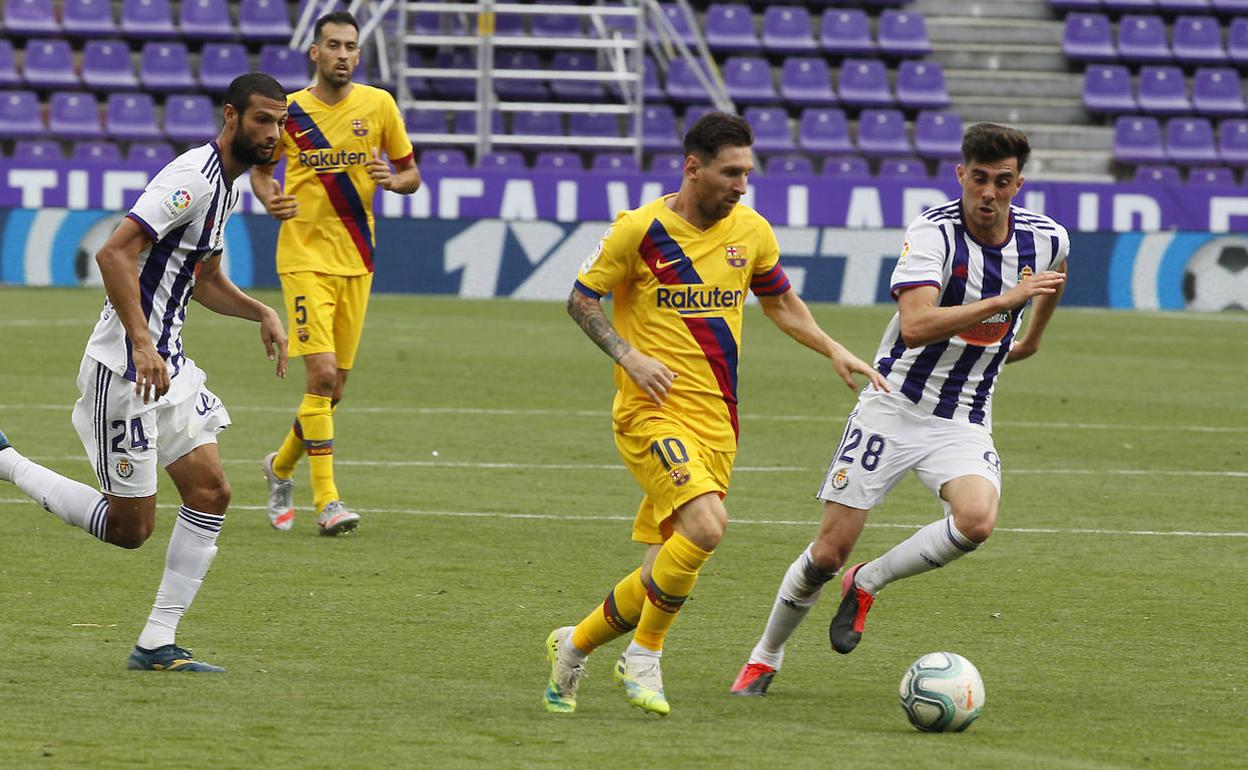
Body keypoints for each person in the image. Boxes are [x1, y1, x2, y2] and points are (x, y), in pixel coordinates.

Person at [542, 112, 888, 716]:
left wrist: (832, 346)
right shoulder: (639, 229)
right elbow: (580, 298)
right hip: (650, 416)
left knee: (658, 573)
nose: (741, 186)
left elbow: (779, 301)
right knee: (707, 527)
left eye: (747, 173)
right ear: (692, 167)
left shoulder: (750, 231)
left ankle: (572, 647)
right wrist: (629, 355)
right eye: (731, 173)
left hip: (718, 424)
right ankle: (645, 657)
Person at [729, 123, 1069, 697]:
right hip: (892, 406)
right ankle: (765, 656)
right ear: (960, 175)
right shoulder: (933, 233)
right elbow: (914, 326)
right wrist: (1003, 302)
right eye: (979, 179)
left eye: (1002, 182)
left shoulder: (1047, 237)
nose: (989, 193)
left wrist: (1030, 335)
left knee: (977, 521)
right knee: (828, 553)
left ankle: (869, 582)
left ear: (1018, 183)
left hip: (963, 415)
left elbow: (1049, 282)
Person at [0, 72, 291, 672]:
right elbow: (114, 251)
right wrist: (140, 341)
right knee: (130, 528)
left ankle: (157, 643)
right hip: (126, 366)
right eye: (263, 119)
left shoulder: (228, 189)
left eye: (281, 121)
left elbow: (204, 280)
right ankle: (5, 461)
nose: (274, 132)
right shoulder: (191, 179)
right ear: (231, 117)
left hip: (169, 365)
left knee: (212, 491)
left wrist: (259, 309)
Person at [252, 10, 421, 536]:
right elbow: (260, 170)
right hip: (303, 257)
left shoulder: (379, 105)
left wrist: (393, 181)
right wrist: (270, 198)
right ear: (315, 52)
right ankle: (328, 502)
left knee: (334, 390)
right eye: (334, 45)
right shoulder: (291, 112)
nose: (344, 54)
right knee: (320, 377)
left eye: (351, 46)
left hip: (357, 260)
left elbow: (412, 173)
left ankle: (279, 467)